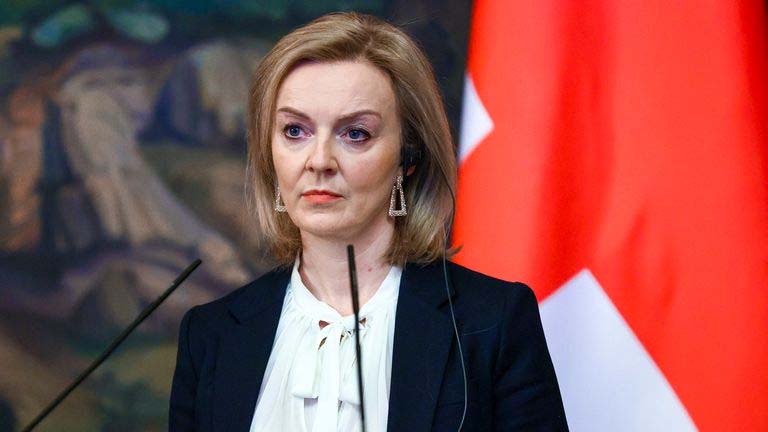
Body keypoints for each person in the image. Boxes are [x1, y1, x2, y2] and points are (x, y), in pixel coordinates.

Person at [169, 12, 568, 432]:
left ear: (408, 159)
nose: (319, 161)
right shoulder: (210, 334)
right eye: (295, 131)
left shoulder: (491, 322)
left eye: (355, 134)